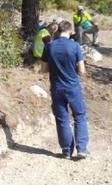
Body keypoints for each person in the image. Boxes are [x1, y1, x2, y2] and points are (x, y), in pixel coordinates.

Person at [41, 20, 89, 160]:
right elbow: (82, 71)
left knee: (62, 119)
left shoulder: (49, 47)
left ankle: (67, 151)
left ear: (57, 31)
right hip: (73, 88)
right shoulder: (75, 46)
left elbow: (43, 70)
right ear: (71, 31)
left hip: (56, 88)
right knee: (79, 116)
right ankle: (82, 150)